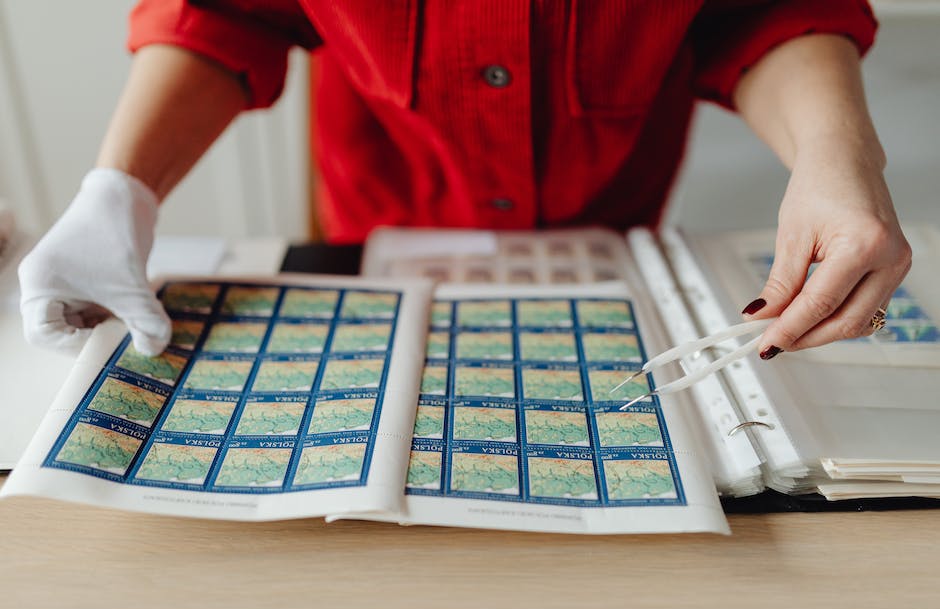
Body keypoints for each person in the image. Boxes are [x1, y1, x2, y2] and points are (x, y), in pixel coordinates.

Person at [18, 0, 911, 360]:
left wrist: (840, 152)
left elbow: (763, 9)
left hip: (614, 239)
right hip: (378, 224)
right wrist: (120, 187)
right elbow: (226, 12)